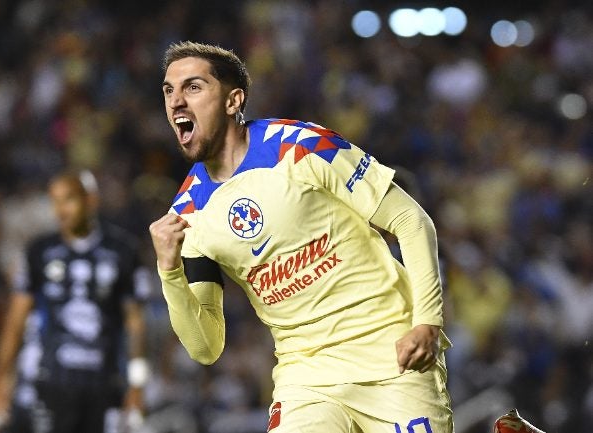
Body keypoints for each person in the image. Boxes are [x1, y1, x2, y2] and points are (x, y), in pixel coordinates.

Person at [149, 41, 453, 433]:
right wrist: (169, 270)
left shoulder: (302, 146)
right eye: (168, 91)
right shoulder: (187, 215)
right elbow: (206, 346)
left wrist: (427, 322)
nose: (177, 102)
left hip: (394, 355)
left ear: (232, 100)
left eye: (193, 87)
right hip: (306, 378)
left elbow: (412, 220)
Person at [0, 170, 152, 433]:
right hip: (50, 382)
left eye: (69, 199)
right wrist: (0, 384)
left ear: (91, 200)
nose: (61, 210)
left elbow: (136, 327)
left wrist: (137, 385)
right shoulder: (39, 251)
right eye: (55, 201)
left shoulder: (123, 251)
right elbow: (15, 322)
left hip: (104, 385)